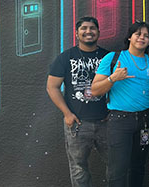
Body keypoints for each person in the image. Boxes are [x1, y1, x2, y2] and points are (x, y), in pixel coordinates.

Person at [91, 21, 149, 187]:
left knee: (139, 167)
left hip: (145, 120)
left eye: (146, 36)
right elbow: (95, 90)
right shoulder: (113, 58)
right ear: (130, 37)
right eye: (138, 34)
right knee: (117, 168)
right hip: (119, 120)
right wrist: (113, 78)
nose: (142, 38)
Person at [47, 16, 109, 187]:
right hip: (78, 124)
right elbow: (52, 87)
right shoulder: (65, 57)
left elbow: (117, 86)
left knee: (115, 165)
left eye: (92, 28)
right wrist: (67, 114)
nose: (88, 31)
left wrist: (112, 111)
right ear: (76, 33)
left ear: (98, 32)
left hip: (106, 122)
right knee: (78, 168)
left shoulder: (108, 57)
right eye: (84, 28)